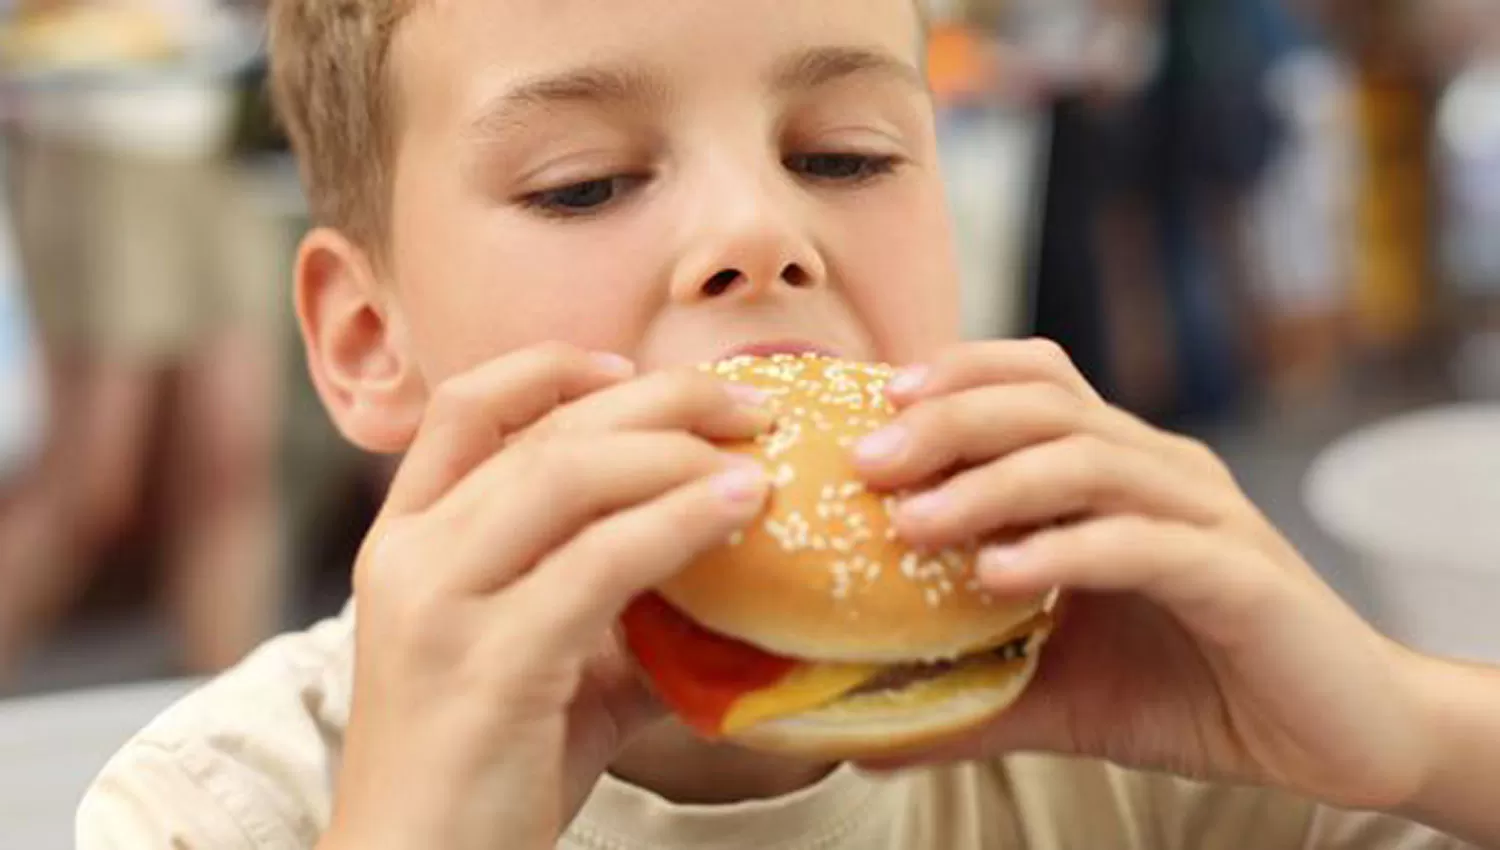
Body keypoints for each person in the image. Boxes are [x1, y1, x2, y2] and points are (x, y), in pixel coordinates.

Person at [76, 2, 1500, 848]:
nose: (761, 232)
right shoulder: (231, 800)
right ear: (369, 339)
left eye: (845, 154)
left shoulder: (1131, 737)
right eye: (583, 183)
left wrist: (1404, 728)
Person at [0, 0, 283, 678]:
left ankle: (233, 724)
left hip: (220, 129)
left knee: (231, 458)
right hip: (98, 134)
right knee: (90, 478)